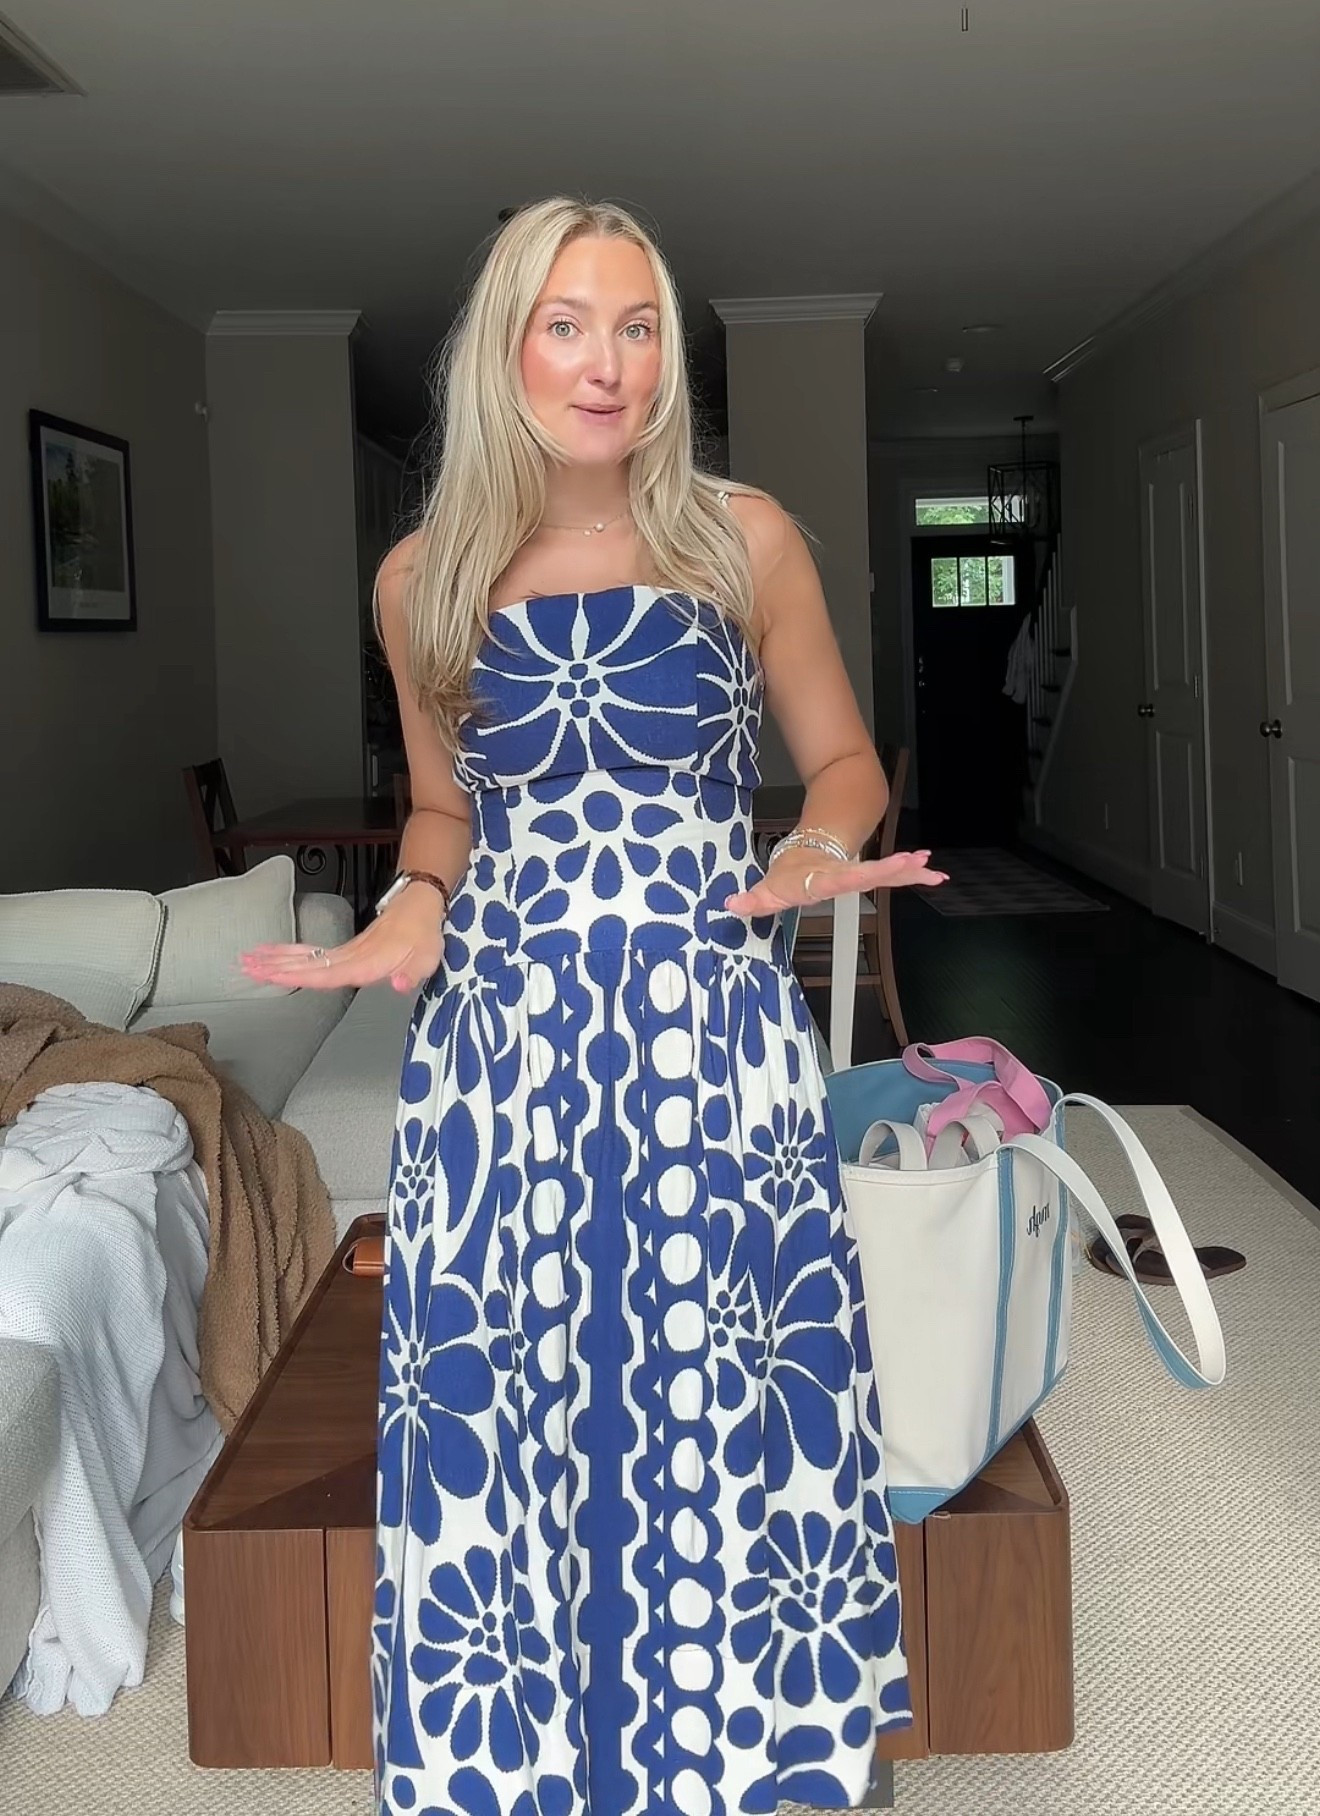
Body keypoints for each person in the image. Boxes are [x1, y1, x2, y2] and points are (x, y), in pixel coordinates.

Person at [241, 196, 947, 1816]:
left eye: (638, 328)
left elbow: (843, 760)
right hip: (503, 1047)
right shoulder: (421, 578)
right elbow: (443, 812)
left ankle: (757, 1754)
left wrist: (814, 854)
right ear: (506, 349)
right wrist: (410, 909)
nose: (607, 363)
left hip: (712, 1030)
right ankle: (525, 1765)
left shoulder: (741, 540)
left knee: (732, 1389)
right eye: (567, 325)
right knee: (511, 1403)